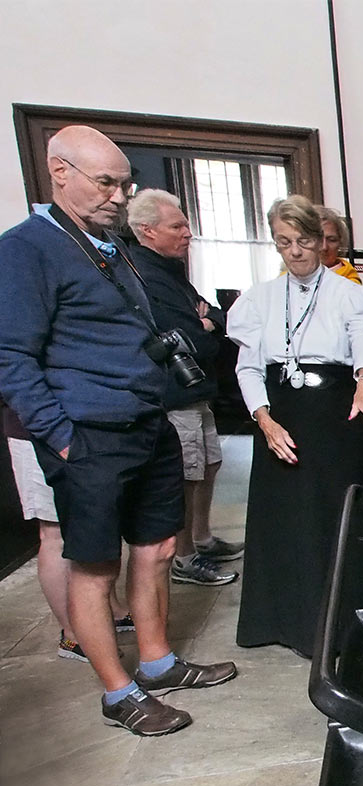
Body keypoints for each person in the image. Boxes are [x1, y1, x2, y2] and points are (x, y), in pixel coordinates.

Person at [0, 125, 236, 736]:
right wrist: (60, 435)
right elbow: (12, 357)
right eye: (106, 182)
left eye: (124, 183)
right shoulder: (27, 248)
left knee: (158, 546)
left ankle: (156, 663)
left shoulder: (110, 247)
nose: (118, 195)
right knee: (94, 565)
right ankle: (117, 691)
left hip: (145, 421)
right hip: (87, 432)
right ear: (59, 172)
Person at [228, 194, 363, 657]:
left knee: (341, 513)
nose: (296, 252)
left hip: (339, 412)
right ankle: (289, 622)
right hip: (282, 415)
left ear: (322, 241)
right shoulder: (258, 300)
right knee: (289, 518)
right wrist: (263, 420)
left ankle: (351, 620)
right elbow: (248, 369)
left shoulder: (350, 294)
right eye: (285, 243)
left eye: (304, 241)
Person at [126, 188, 241, 587]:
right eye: (177, 225)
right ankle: (185, 558)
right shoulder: (144, 274)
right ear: (147, 231)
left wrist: (211, 323)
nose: (187, 233)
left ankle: (202, 538)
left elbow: (216, 319)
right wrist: (207, 327)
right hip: (174, 393)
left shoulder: (171, 271)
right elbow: (193, 338)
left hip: (196, 391)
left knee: (209, 464)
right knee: (186, 474)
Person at [4, 397, 133, 659]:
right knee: (55, 533)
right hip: (38, 431)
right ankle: (72, 635)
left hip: (85, 427)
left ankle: (114, 612)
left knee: (96, 524)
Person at [315, 206, 361, 284]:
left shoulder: (350, 285)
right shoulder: (289, 279)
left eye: (332, 240)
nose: (324, 247)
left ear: (340, 242)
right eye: (317, 239)